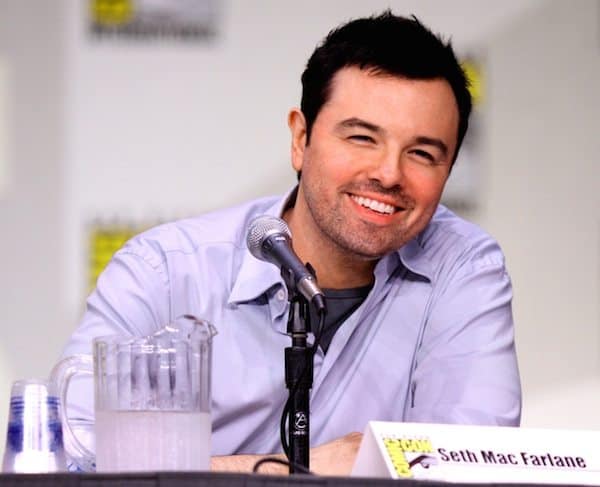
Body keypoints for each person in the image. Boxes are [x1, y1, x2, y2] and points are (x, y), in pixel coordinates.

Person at [60, 11, 521, 476]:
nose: (388, 174)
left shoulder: (462, 268)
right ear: (301, 139)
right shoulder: (165, 271)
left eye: (421, 153)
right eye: (362, 138)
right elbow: (72, 461)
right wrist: (296, 470)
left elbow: (474, 466)